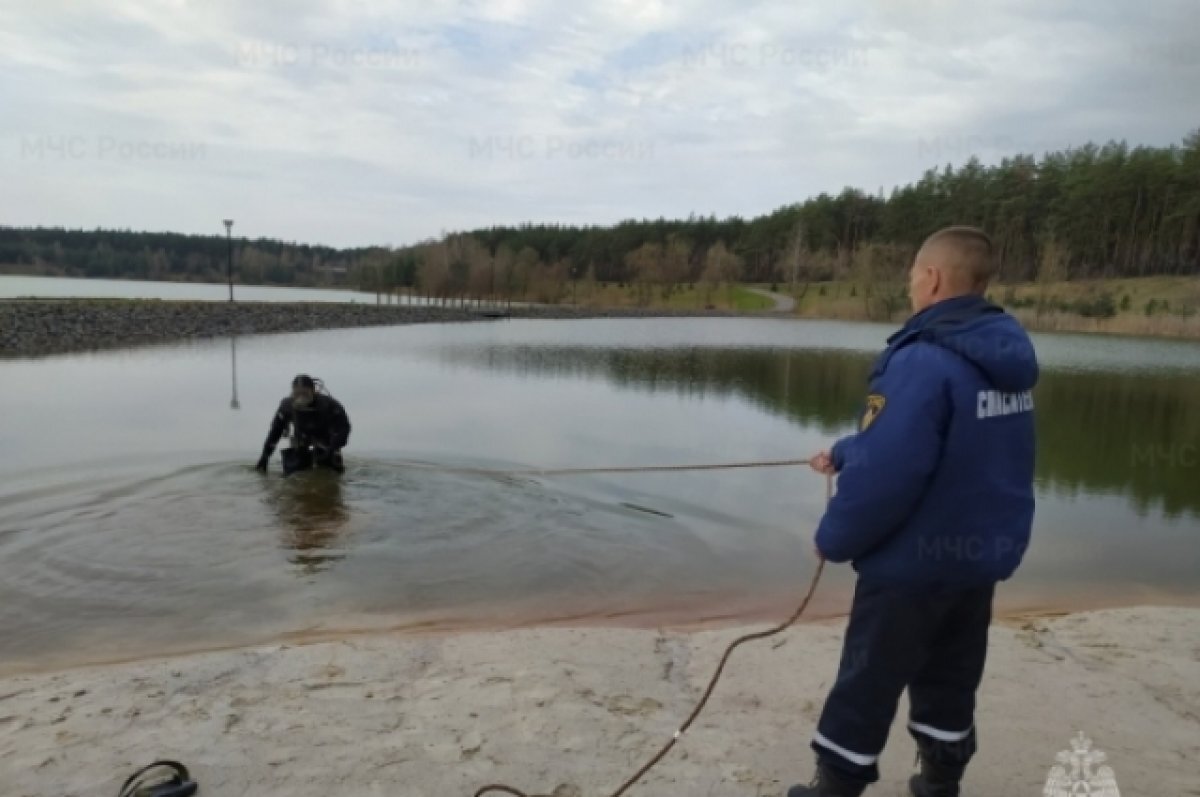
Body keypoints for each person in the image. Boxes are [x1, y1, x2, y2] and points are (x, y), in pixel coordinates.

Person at [789, 227, 1039, 797]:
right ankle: (940, 782)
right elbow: (946, 447)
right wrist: (847, 452)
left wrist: (835, 536)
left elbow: (890, 473)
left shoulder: (922, 359)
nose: (909, 289)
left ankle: (834, 787)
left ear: (931, 278)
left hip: (910, 568)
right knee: (951, 678)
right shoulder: (1005, 354)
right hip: (975, 562)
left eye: (911, 278)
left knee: (867, 681)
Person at [256, 375, 351, 475]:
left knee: (331, 473)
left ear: (314, 391)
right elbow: (275, 431)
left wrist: (333, 448)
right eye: (297, 393)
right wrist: (265, 456)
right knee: (294, 476)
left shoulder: (329, 405)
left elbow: (343, 428)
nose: (301, 397)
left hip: (326, 440)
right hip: (301, 439)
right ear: (292, 392)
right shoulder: (286, 406)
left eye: (305, 393)